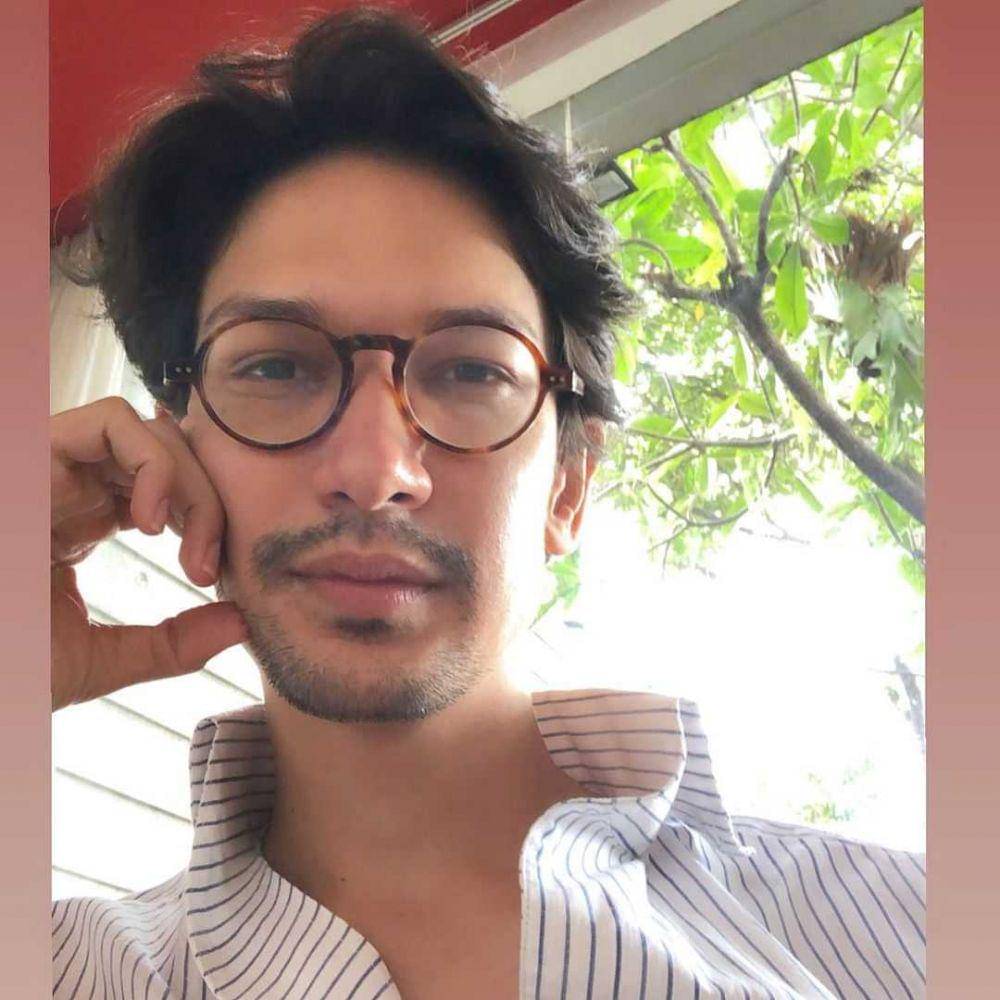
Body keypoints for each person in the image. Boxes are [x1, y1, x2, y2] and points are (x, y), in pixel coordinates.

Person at [50, 8, 925, 999]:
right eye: (277, 366)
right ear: (178, 452)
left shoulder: (918, 931)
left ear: (567, 485)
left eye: (470, 371)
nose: (376, 469)